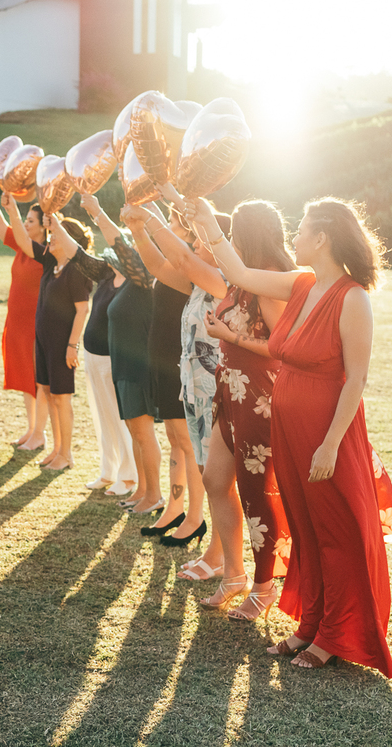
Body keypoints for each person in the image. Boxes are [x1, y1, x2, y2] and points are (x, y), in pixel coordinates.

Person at [189, 196, 392, 677]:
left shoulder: (352, 297)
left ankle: (335, 636)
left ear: (323, 237)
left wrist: (330, 444)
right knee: (307, 532)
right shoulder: (302, 284)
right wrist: (208, 223)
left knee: (336, 531)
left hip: (327, 433)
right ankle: (311, 624)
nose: (294, 238)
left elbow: (356, 379)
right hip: (289, 430)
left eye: (302, 229)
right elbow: (241, 275)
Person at [132, 200, 295, 620]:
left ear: (248, 236)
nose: (226, 241)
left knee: (256, 494)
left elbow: (283, 349)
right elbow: (191, 251)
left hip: (258, 395)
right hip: (230, 391)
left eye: (232, 233)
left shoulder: (271, 281)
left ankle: (261, 587)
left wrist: (231, 338)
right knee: (215, 479)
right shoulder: (241, 280)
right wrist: (177, 199)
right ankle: (234, 573)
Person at [122, 202, 229, 561]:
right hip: (183, 373)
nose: (196, 246)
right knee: (180, 442)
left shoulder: (215, 279)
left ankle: (197, 520)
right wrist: (138, 229)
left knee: (195, 449)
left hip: (202, 378)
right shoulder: (195, 280)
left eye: (201, 242)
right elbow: (156, 264)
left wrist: (148, 219)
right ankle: (180, 509)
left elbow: (180, 258)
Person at [55, 197, 154, 500]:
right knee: (102, 416)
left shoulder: (140, 280)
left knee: (122, 418)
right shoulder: (108, 273)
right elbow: (76, 253)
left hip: (118, 359)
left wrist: (97, 212)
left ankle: (128, 476)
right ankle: (108, 470)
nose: (119, 247)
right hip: (94, 356)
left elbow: (121, 245)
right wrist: (53, 219)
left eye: (125, 244)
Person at [6, 194, 92, 471]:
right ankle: (57, 450)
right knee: (50, 395)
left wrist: (72, 346)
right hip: (44, 343)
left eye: (55, 236)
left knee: (62, 399)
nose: (50, 240)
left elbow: (82, 309)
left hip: (62, 346)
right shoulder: (50, 266)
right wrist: (11, 210)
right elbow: (22, 239)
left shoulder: (76, 271)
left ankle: (66, 455)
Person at [0, 175, 49, 450]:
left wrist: (14, 210)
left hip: (36, 325)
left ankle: (40, 434)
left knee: (38, 380)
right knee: (23, 377)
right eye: (26, 221)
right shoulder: (22, 247)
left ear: (43, 227)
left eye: (30, 221)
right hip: (17, 323)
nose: (25, 224)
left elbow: (10, 223)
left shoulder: (43, 253)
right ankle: (31, 429)